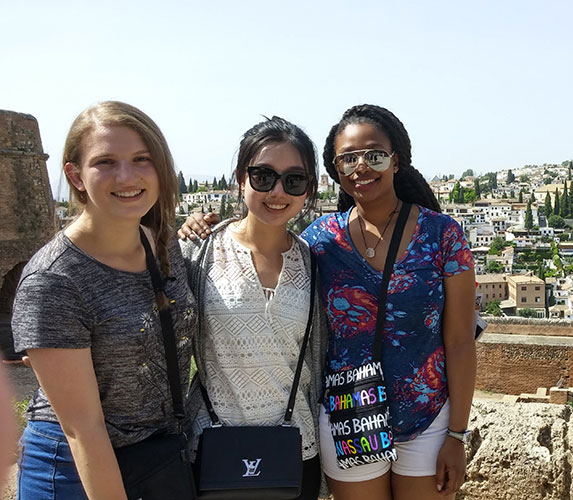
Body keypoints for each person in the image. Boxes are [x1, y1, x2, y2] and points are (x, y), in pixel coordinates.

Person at [180, 104, 477, 500]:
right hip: (349, 414)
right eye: (348, 158)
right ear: (335, 170)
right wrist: (195, 225)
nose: (361, 167)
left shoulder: (443, 235)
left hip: (427, 416)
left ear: (396, 160)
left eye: (374, 155)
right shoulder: (320, 241)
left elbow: (459, 340)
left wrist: (457, 434)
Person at [12, 101, 195, 499]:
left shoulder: (162, 243)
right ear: (75, 176)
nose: (126, 176)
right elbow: (83, 429)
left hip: (155, 458)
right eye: (106, 162)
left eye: (142, 159)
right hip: (77, 471)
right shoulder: (54, 280)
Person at [180, 116, 326, 499]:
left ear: (308, 190)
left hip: (294, 450)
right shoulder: (199, 250)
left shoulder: (314, 262)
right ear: (240, 178)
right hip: (211, 451)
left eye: (293, 180)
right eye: (263, 176)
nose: (277, 191)